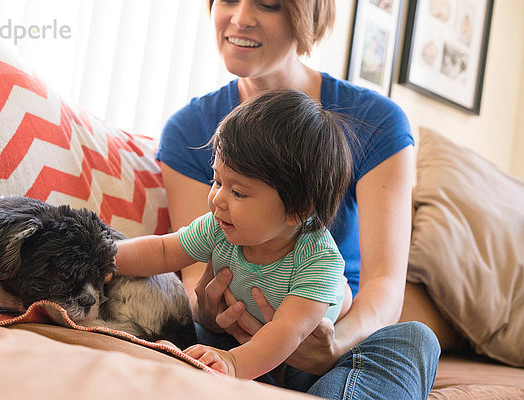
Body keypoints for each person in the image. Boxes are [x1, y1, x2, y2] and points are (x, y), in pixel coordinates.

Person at [155, 0, 440, 398]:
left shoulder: (376, 120)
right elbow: (193, 272)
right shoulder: (190, 128)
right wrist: (209, 313)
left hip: (334, 332)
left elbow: (383, 285)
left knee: (413, 340)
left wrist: (331, 346)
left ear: (308, 16)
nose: (239, 18)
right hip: (236, 331)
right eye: (228, 0)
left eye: (268, 4)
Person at [114, 89, 353, 380]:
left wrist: (233, 364)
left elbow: (287, 330)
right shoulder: (220, 226)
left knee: (390, 328)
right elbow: (164, 251)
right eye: (216, 181)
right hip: (243, 336)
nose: (217, 199)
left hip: (302, 348)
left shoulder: (317, 261)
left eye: (238, 192)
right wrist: (105, 257)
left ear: (297, 211)